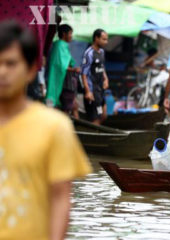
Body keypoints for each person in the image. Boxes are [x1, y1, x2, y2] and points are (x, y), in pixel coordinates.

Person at [0, 20, 91, 240]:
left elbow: (61, 198)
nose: (2, 72)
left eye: (11, 64)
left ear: (31, 70)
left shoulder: (54, 126)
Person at [45, 24, 80, 109]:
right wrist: (74, 69)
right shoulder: (60, 45)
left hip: (62, 79)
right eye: (70, 33)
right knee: (60, 102)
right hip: (62, 80)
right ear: (64, 34)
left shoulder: (60, 45)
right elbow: (61, 65)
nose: (71, 36)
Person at [81, 28, 109, 125]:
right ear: (96, 38)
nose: (106, 42)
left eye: (107, 39)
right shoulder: (89, 53)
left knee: (103, 115)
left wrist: (106, 79)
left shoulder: (101, 52)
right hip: (93, 91)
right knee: (96, 118)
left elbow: (102, 67)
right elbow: (83, 74)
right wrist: (88, 91)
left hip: (100, 89)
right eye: (104, 39)